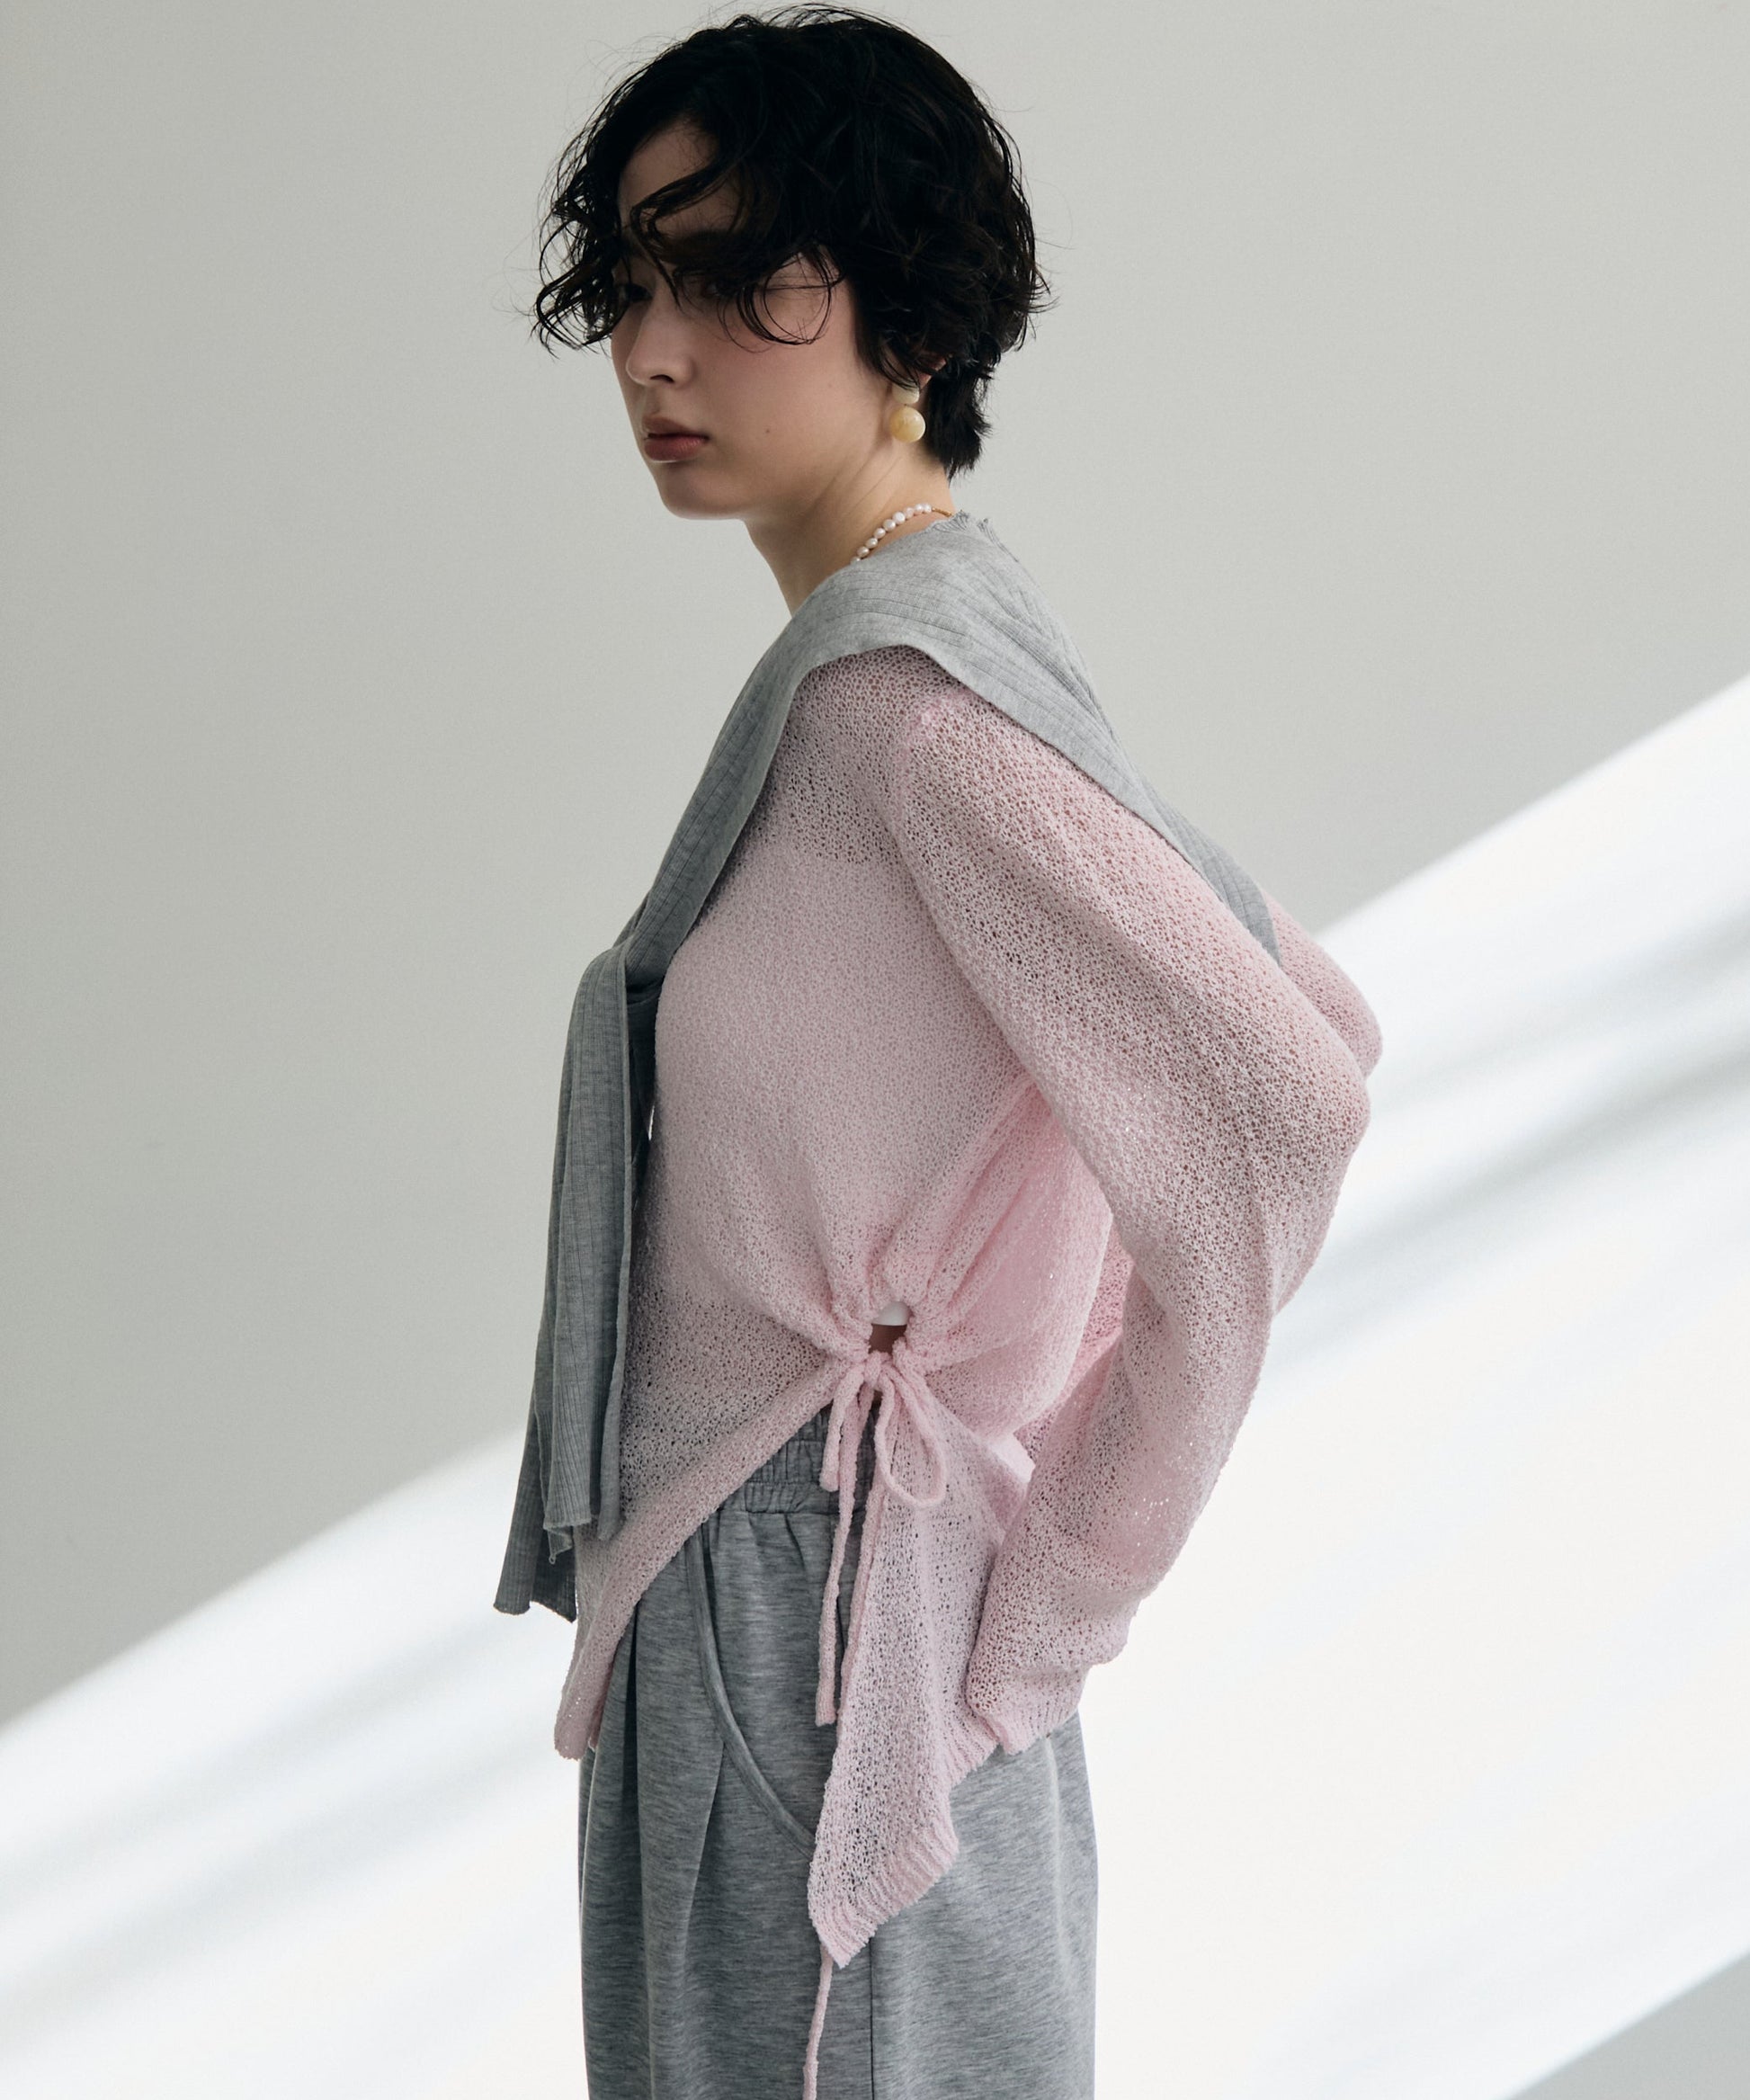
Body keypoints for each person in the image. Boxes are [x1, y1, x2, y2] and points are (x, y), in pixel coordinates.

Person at [496, 9, 1384, 2097]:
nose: (655, 353)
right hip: (776, 1602)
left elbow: (1277, 1094)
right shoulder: (893, 676)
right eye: (631, 284)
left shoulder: (909, 714)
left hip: (825, 1632)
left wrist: (1055, 1567)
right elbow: (1306, 1009)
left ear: (905, 312)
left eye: (730, 279)